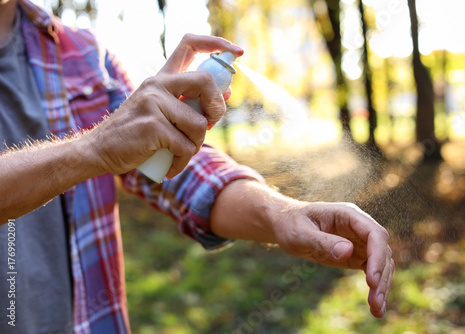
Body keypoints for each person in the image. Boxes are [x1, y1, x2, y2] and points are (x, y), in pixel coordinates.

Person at [0, 0, 394, 333]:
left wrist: (282, 213)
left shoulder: (82, 55)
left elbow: (172, 168)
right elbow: (108, 144)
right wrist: (92, 149)